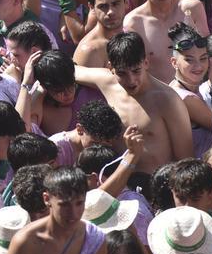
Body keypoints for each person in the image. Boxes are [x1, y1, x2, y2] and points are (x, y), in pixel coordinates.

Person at [73, 32, 194, 174]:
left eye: (136, 71)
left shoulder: (168, 100)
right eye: (122, 73)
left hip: (155, 187)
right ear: (111, 68)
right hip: (117, 184)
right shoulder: (106, 82)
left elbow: (186, 161)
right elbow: (71, 70)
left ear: (146, 63)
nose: (131, 80)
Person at [0, 167, 112, 254]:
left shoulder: (94, 238)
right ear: (47, 199)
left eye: (79, 203)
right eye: (64, 205)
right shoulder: (26, 241)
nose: (73, 213)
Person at [123, 0, 209, 83]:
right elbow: (134, 73)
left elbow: (207, 54)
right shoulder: (134, 23)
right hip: (159, 98)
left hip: (195, 93)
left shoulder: (192, 8)